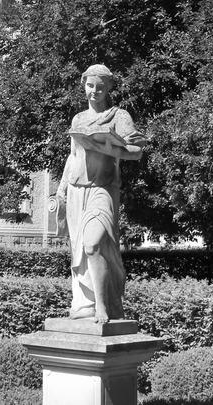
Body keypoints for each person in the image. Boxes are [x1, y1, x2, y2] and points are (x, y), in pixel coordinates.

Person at [53, 64, 146, 323]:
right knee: (79, 252)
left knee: (94, 244)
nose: (94, 91)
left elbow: (136, 151)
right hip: (75, 190)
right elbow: (72, 157)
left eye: (100, 87)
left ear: (108, 89)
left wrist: (110, 150)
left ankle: (103, 306)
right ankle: (84, 305)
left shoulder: (119, 116)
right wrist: (60, 191)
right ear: (84, 86)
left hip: (103, 189)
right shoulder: (78, 119)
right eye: (90, 86)